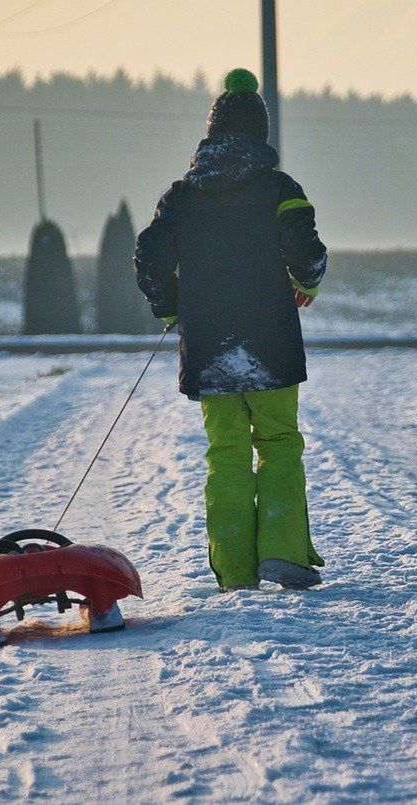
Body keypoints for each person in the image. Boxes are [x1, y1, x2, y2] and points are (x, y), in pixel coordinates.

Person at [134, 68, 327, 592]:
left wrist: (171, 308)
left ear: (212, 134)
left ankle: (236, 570)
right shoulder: (280, 189)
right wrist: (305, 282)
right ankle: (284, 554)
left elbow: (149, 255)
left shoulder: (181, 197)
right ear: (260, 134)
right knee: (280, 442)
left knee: (226, 453)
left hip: (208, 344)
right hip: (271, 341)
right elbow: (307, 255)